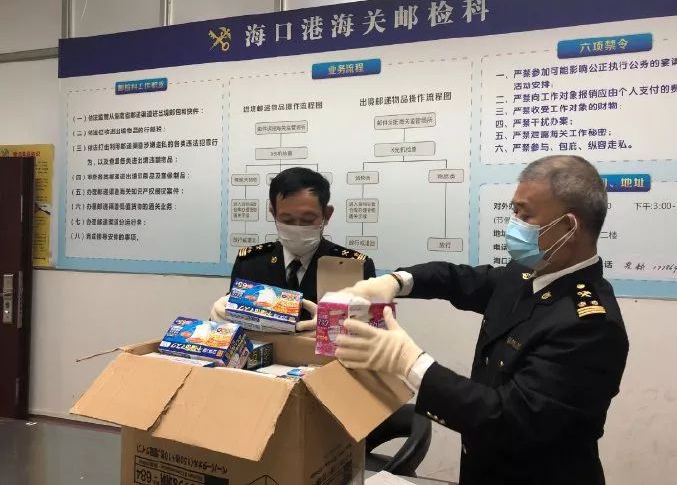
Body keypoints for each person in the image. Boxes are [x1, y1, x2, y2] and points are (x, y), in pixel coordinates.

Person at [334, 155, 629, 485]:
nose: (514, 224)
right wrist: (395, 282)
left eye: (525, 215)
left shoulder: (589, 325)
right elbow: (457, 279)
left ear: (569, 227)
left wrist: (409, 362)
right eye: (514, 211)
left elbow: (509, 419)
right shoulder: (528, 274)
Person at [210, 167, 376, 330]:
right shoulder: (250, 264)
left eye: (308, 219)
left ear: (327, 214)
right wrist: (220, 319)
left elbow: (373, 337)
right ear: (273, 213)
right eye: (287, 220)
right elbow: (230, 330)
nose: (297, 227)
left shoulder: (354, 268)